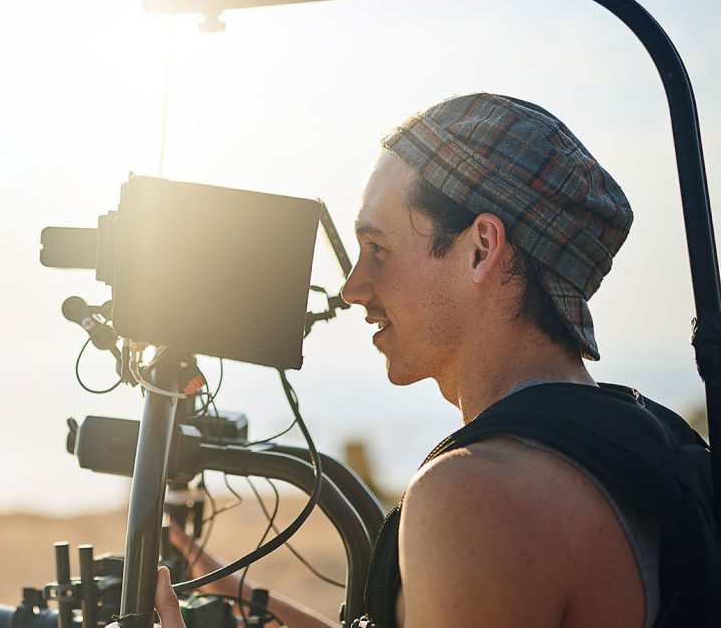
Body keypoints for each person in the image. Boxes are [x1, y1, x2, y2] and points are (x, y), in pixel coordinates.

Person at [148, 93, 715, 628]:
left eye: (379, 250)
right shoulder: (640, 440)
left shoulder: (476, 495)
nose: (352, 288)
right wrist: (247, 602)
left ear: (481, 249)